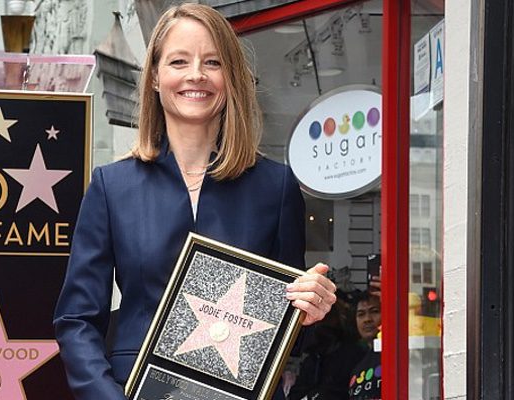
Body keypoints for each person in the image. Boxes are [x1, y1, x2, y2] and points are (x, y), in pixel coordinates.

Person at [53, 4, 337, 399]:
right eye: (179, 61)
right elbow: (76, 320)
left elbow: (289, 330)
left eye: (213, 62)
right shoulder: (112, 187)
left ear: (232, 77)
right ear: (154, 76)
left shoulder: (276, 187)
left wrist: (309, 313)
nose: (196, 75)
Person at [348, 291, 381, 399]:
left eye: (374, 311)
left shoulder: (397, 357)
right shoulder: (357, 366)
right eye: (361, 314)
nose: (367, 319)